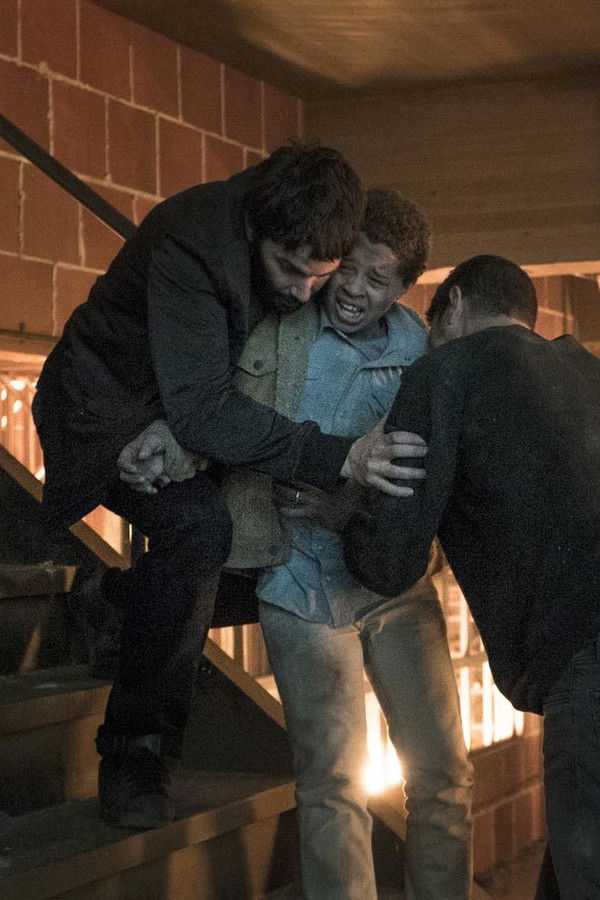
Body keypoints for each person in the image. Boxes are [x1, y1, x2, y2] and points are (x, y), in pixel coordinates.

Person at [32, 144, 426, 831]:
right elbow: (204, 410)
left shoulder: (300, 257)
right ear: (254, 229)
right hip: (102, 411)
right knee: (201, 530)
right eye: (290, 270)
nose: (304, 292)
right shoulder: (193, 242)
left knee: (264, 562)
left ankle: (113, 605)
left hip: (176, 413)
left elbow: (212, 396)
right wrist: (341, 457)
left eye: (321, 275)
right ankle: (135, 754)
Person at [130, 191, 473, 899]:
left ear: (403, 289)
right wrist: (159, 444)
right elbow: (220, 410)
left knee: (443, 779)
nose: (354, 289)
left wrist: (348, 505)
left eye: (378, 279)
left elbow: (438, 478)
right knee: (333, 784)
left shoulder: (421, 353)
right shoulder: (280, 331)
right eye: (348, 268)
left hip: (396, 586)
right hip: (300, 583)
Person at [343, 254, 600, 900]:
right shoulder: (586, 370)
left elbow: (389, 561)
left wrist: (339, 501)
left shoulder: (445, 371)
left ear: (453, 306)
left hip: (586, 661)